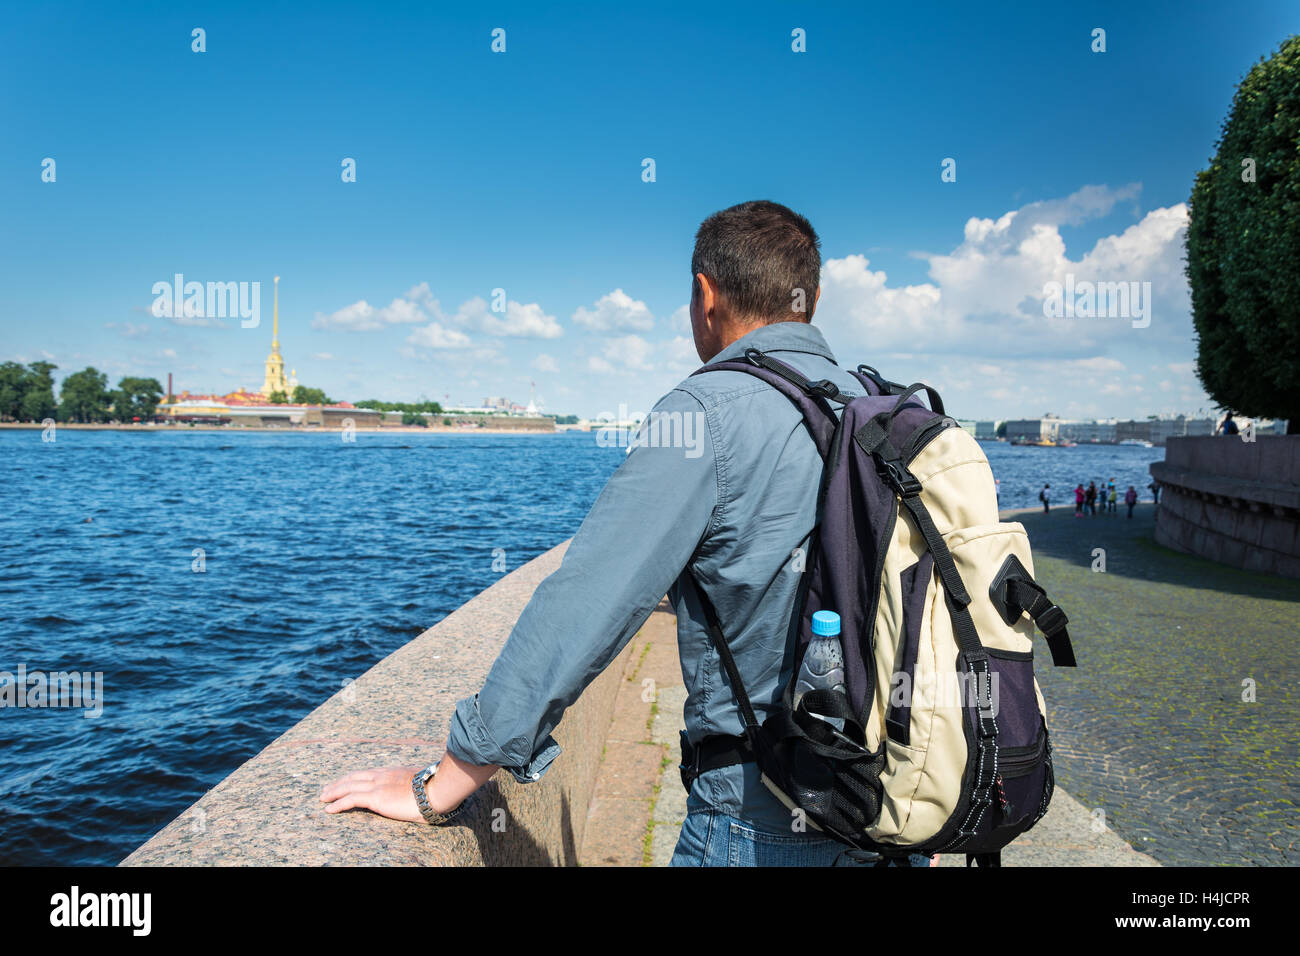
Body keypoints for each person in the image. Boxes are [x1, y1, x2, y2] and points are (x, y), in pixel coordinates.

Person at [319, 201, 933, 867]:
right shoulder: (889, 408)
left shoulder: (706, 412)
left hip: (763, 822)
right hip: (896, 804)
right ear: (811, 299)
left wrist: (445, 782)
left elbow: (585, 603)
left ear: (705, 293)